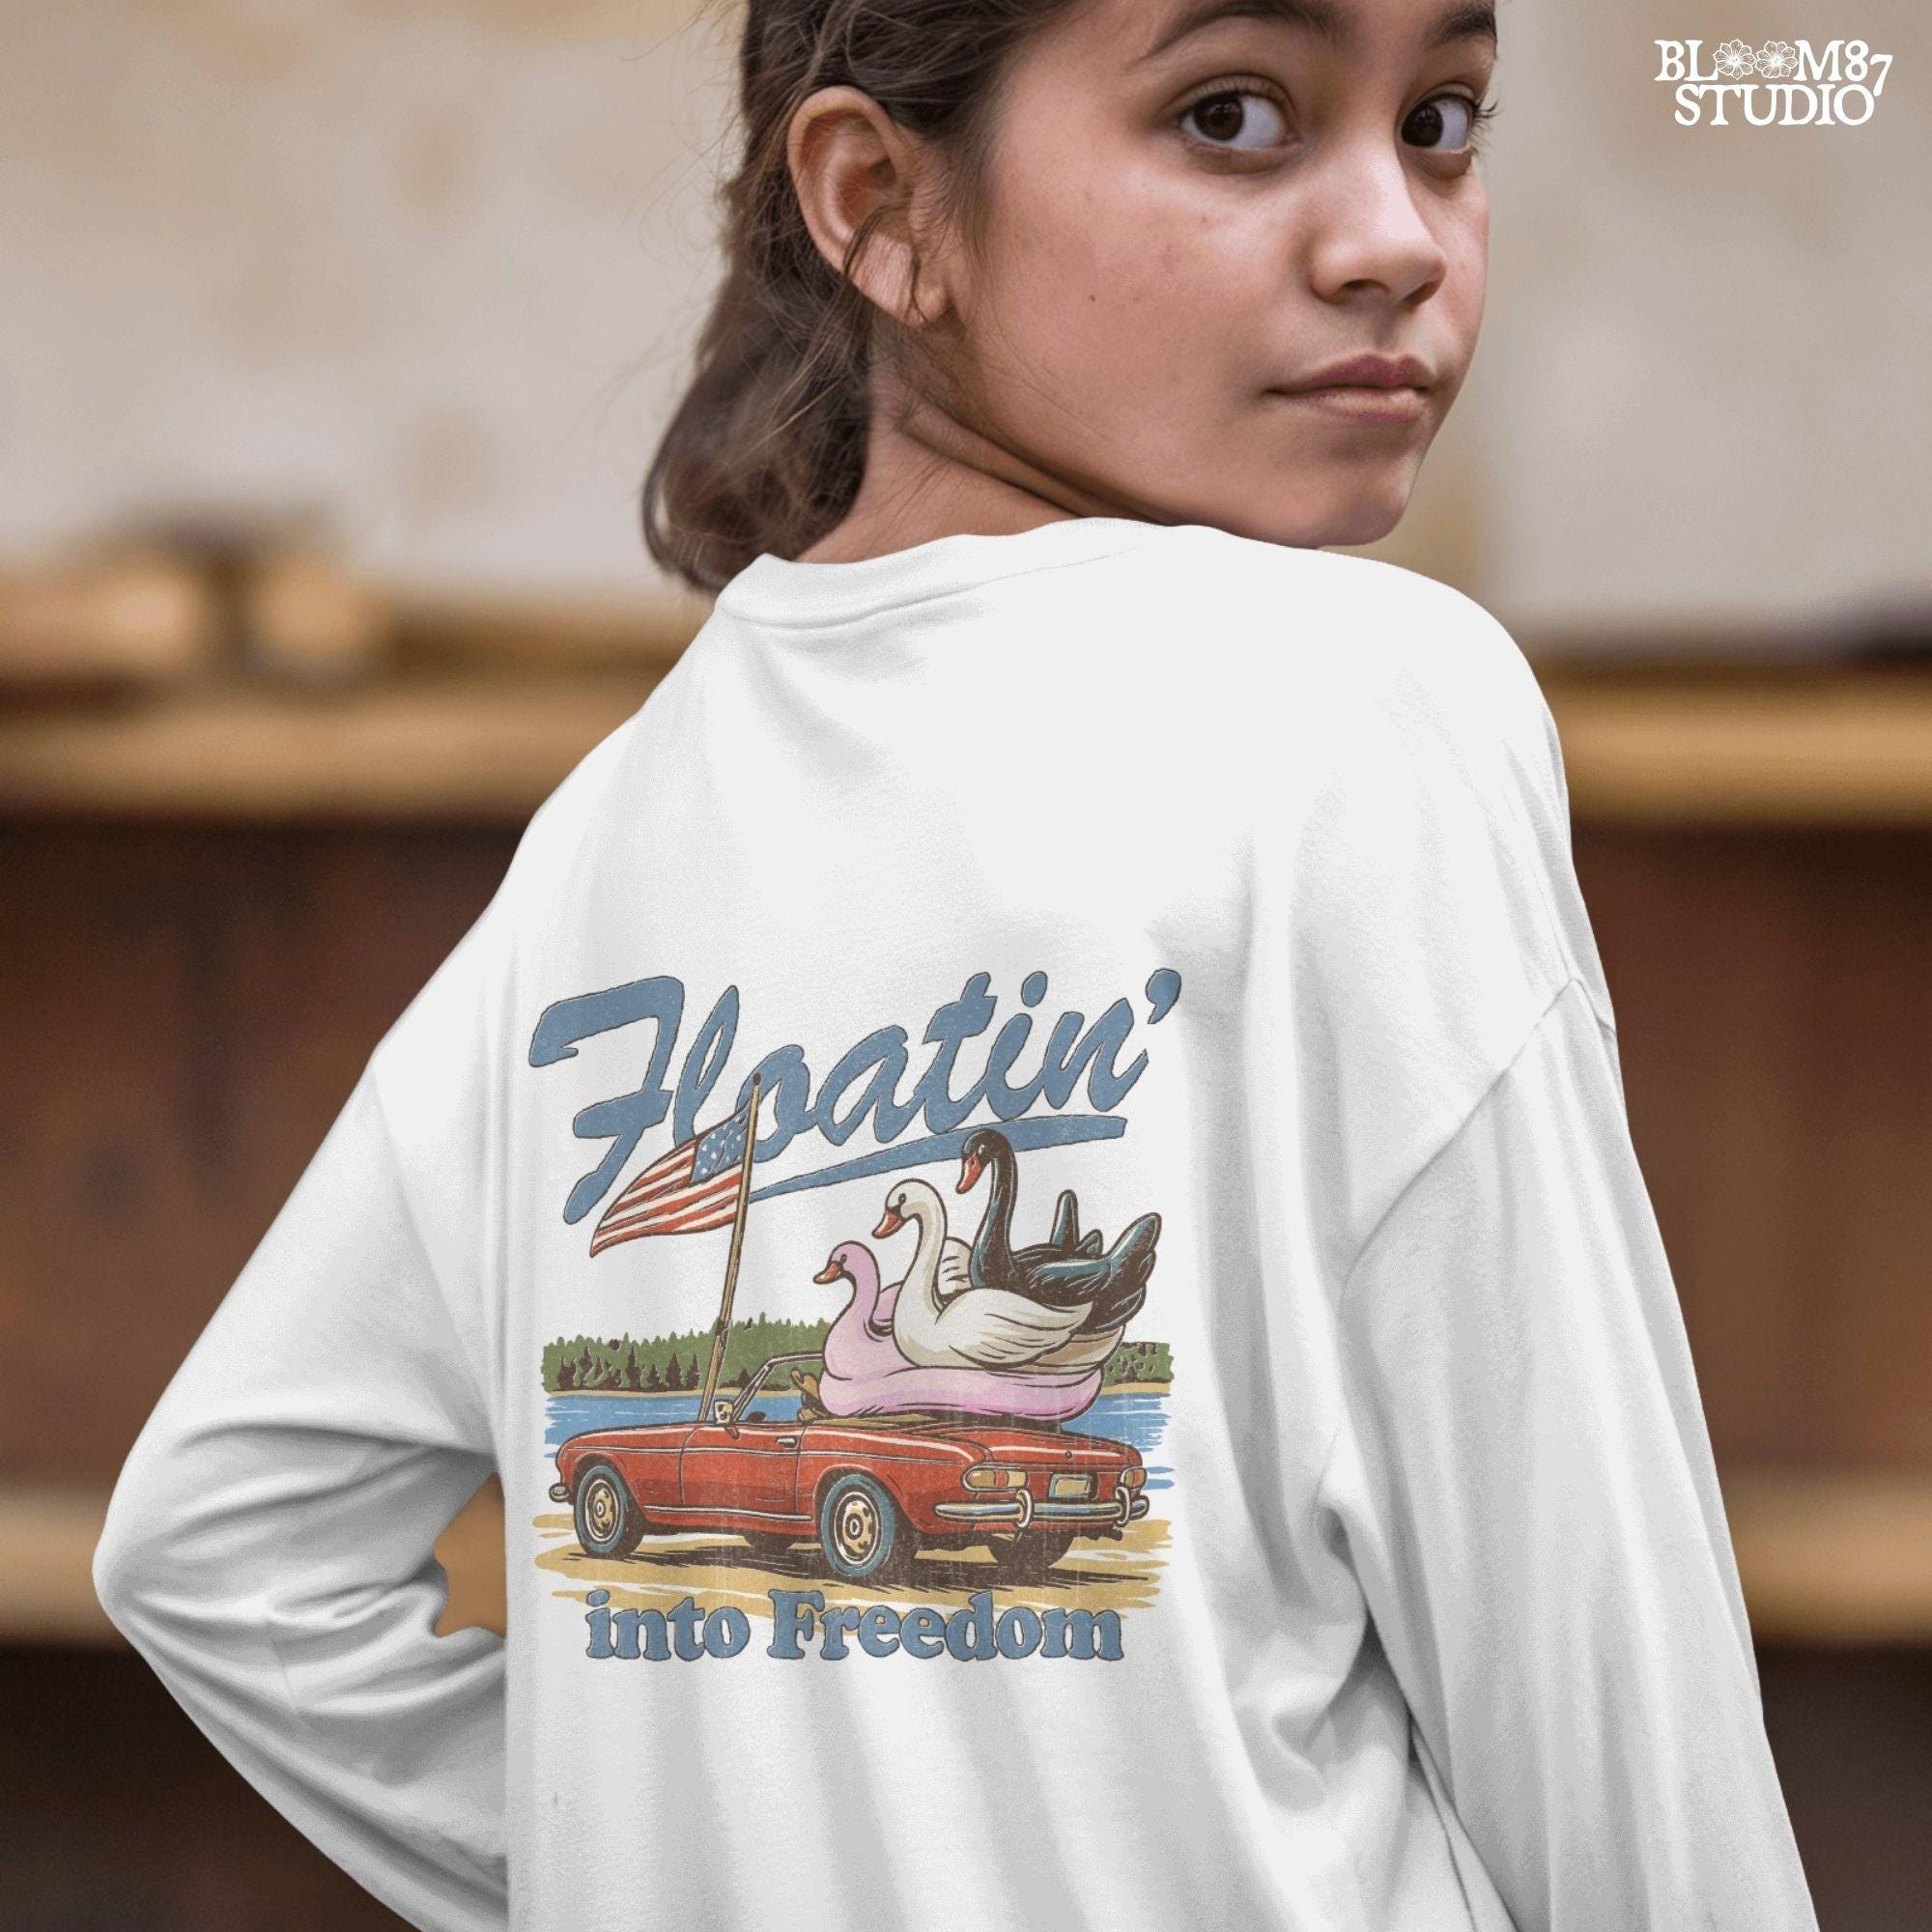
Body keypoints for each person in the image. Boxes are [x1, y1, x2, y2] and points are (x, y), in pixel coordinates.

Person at [95, 0, 1823, 1927]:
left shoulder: (611, 825)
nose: (1396, 236)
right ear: (883, 203)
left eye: (1440, 119)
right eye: (1236, 115)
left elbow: (217, 1545)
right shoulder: (1365, 707)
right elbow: (1601, 1691)